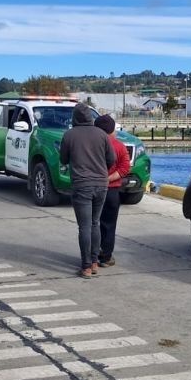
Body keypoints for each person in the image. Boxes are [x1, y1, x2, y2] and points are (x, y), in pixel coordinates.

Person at [59, 102, 114, 278]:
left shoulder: (69, 135)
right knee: (95, 223)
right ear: (91, 117)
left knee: (84, 227)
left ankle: (86, 267)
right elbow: (111, 159)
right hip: (101, 184)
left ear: (74, 117)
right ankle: (95, 262)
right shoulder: (102, 134)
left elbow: (64, 159)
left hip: (82, 184)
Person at [95, 114, 131, 268]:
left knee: (92, 223)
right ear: (112, 129)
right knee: (109, 224)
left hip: (93, 188)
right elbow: (125, 167)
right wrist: (109, 179)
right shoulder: (119, 146)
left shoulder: (92, 145)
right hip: (112, 191)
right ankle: (106, 257)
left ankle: (92, 255)